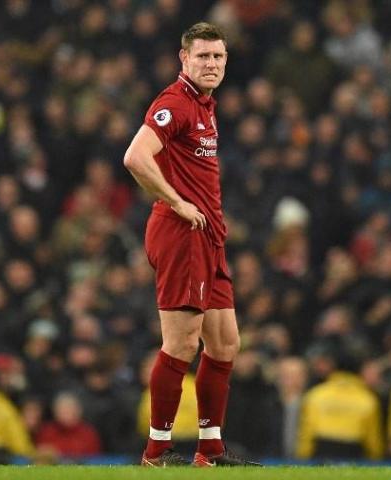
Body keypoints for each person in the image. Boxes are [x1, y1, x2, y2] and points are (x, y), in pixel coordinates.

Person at [123, 22, 258, 467]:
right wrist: (177, 202)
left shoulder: (205, 104)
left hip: (207, 235)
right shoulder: (175, 103)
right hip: (181, 233)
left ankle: (210, 451)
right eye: (202, 56)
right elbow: (135, 156)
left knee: (224, 344)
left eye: (218, 57)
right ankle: (156, 452)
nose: (212, 64)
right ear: (184, 59)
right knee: (180, 345)